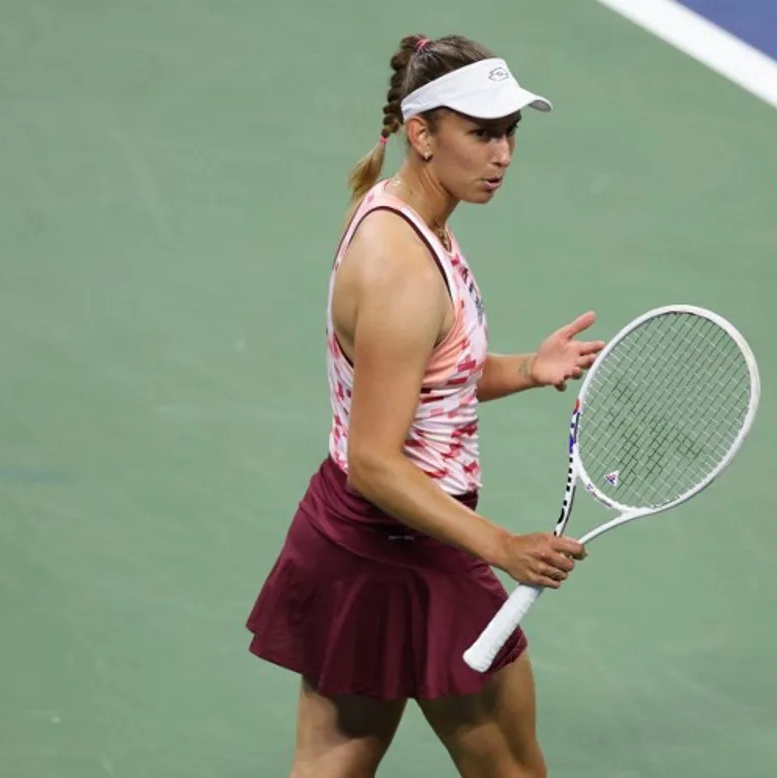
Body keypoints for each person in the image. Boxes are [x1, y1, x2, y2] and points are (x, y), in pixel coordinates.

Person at [245, 33, 603, 778]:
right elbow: (376, 464)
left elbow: (423, 378)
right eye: (480, 133)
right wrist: (500, 545)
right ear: (422, 133)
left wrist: (528, 369)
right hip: (406, 543)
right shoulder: (403, 271)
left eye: (509, 132)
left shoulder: (403, 213)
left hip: (355, 540)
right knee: (511, 768)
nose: (502, 154)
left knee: (335, 758)